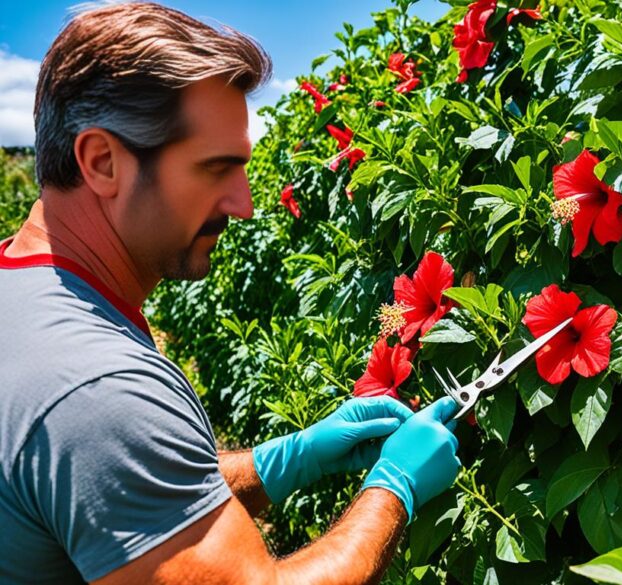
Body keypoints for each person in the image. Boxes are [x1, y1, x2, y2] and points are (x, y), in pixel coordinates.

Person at [0, 3, 461, 584]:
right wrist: (393, 489)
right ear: (102, 162)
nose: (243, 205)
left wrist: (287, 459)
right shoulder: (99, 391)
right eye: (215, 169)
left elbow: (128, 494)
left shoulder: (20, 289)